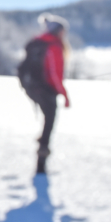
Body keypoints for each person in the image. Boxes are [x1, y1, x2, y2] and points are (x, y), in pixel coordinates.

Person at [18, 13, 71, 174]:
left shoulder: (38, 42)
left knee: (46, 121)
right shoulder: (54, 46)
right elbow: (54, 74)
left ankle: (42, 145)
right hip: (46, 90)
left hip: (32, 89)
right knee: (49, 123)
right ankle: (41, 161)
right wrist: (64, 93)